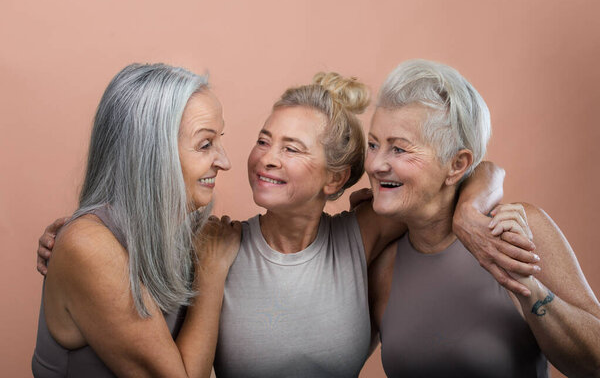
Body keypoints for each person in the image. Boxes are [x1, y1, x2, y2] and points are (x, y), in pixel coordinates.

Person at [37, 70, 534, 377]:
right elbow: (113, 246)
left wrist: (475, 205)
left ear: (335, 178)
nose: (261, 159)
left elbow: (445, 179)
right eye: (264, 139)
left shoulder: (363, 234)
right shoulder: (208, 245)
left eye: (292, 149)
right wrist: (77, 237)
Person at [367, 59, 600, 377]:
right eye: (373, 144)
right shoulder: (384, 265)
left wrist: (525, 284)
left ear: (457, 165)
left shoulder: (519, 231)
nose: (376, 164)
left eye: (399, 150)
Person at [32, 63, 240, 377]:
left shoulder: (179, 232)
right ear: (154, 153)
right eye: (206, 144)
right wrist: (211, 273)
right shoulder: (88, 246)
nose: (225, 161)